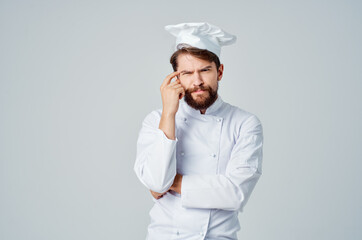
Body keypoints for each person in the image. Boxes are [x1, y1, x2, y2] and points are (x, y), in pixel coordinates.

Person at [134, 22, 264, 240]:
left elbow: (235, 193)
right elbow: (157, 182)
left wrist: (172, 182)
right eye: (187, 73)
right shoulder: (156, 119)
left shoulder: (245, 123)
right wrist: (169, 114)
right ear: (176, 77)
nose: (197, 82)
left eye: (205, 70)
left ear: (219, 71)